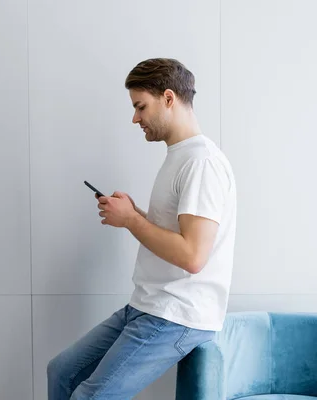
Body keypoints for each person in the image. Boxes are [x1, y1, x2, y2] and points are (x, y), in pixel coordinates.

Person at [47, 58, 237, 399]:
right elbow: (176, 234)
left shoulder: (201, 162)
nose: (135, 118)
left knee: (89, 396)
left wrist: (131, 221)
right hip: (147, 305)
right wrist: (136, 214)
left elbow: (193, 256)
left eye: (140, 107)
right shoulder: (180, 155)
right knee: (62, 371)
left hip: (176, 314)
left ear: (168, 98)